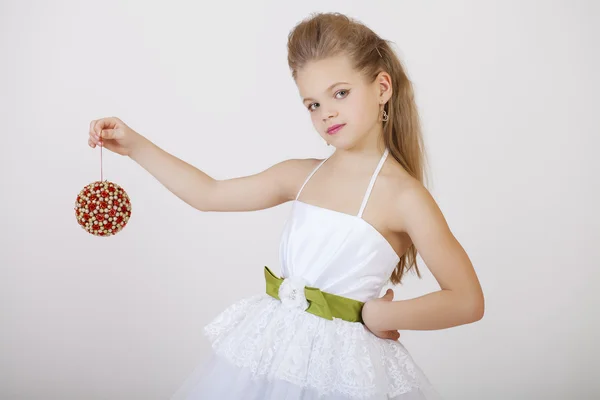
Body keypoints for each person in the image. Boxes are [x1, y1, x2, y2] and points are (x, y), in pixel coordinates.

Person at [87, 12, 484, 400]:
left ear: (382, 87)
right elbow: (208, 194)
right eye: (312, 104)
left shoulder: (404, 197)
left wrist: (380, 316)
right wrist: (135, 145)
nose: (326, 112)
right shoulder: (300, 175)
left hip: (344, 369)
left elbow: (466, 299)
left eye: (340, 93)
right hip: (271, 353)